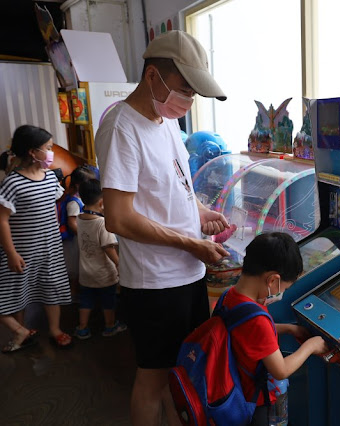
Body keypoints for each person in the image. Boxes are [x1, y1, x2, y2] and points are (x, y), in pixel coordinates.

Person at [94, 30, 231, 426]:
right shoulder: (122, 127)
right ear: (153, 76)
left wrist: (200, 212)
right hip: (155, 284)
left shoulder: (166, 120)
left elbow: (173, 188)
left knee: (181, 373)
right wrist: (191, 243)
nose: (187, 101)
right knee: (152, 379)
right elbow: (119, 217)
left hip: (188, 275)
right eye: (184, 90)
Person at [221, 232, 330, 425]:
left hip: (233, 388)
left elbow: (249, 334)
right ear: (272, 280)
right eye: (284, 287)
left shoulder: (230, 296)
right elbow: (281, 370)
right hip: (253, 402)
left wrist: (288, 329)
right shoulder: (257, 319)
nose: (282, 292)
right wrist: (311, 347)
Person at [0, 125, 72, 353]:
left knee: (52, 289)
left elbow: (52, 208)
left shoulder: (50, 177)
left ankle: (54, 330)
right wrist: (11, 253)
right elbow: (2, 220)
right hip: (21, 251)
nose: (51, 153)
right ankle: (21, 329)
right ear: (32, 152)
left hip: (49, 248)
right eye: (48, 148)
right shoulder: (13, 183)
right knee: (15, 293)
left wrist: (55, 236)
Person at [73, 178, 127, 340]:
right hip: (104, 274)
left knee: (86, 300)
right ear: (102, 202)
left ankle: (82, 328)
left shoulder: (80, 218)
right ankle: (110, 326)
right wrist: (119, 264)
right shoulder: (102, 224)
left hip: (85, 272)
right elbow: (108, 247)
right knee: (108, 301)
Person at [59, 165, 95, 296]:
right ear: (79, 184)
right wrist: (83, 236)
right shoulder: (74, 202)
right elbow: (72, 222)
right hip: (73, 240)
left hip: (76, 239)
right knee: (74, 268)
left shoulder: (76, 198)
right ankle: (73, 294)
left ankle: (74, 293)